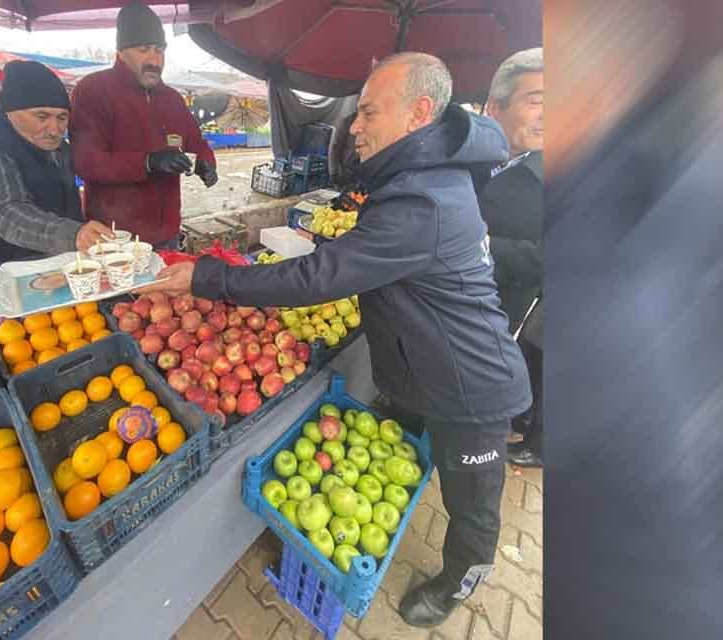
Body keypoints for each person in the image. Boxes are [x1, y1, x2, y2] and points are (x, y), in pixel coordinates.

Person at [140, 52, 531, 628]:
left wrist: (209, 277)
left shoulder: (421, 200)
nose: (354, 125)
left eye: (369, 112)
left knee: (471, 499)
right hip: (430, 367)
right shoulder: (424, 176)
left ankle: (461, 578)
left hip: (472, 382)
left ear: (419, 112)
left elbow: (317, 278)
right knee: (420, 456)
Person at [69, 1, 219, 249]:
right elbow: (86, 162)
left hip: (168, 234)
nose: (154, 60)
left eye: (159, 50)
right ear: (120, 52)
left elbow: (196, 142)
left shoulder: (172, 98)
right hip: (116, 238)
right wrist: (147, 162)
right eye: (143, 49)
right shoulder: (93, 91)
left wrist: (206, 161)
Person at [0, 60, 113, 264]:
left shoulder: (53, 141)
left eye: (62, 118)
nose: (54, 129)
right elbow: (9, 212)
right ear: (10, 111)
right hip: (16, 265)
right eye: (41, 116)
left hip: (67, 261)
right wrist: (74, 234)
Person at [479, 47, 543, 467]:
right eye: (536, 101)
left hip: (504, 306)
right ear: (495, 107)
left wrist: (480, 246)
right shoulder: (475, 156)